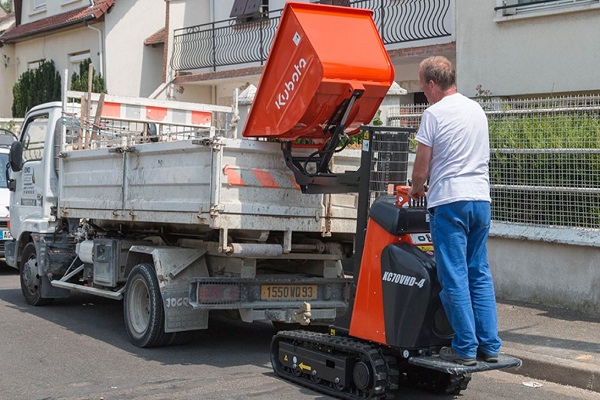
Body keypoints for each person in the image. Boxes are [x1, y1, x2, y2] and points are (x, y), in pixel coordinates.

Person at [408, 56, 502, 366]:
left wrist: (415, 188)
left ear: (433, 84)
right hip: (481, 201)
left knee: (455, 277)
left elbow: (421, 169)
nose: (424, 92)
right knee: (479, 273)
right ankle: (489, 345)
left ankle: (464, 347)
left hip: (450, 202)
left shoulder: (433, 114)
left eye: (423, 86)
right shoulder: (477, 109)